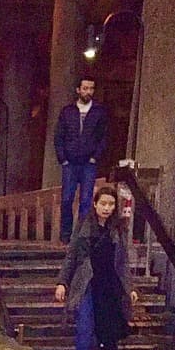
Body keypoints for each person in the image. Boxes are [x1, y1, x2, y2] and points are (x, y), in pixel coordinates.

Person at [54, 185, 138, 350]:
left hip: (109, 283)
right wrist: (62, 282)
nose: (107, 208)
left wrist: (130, 287)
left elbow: (122, 261)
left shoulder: (118, 229)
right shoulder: (84, 225)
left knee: (105, 325)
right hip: (87, 283)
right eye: (103, 203)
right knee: (84, 326)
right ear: (95, 204)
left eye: (111, 204)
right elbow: (72, 255)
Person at [54, 76, 108, 244]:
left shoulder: (99, 112)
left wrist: (95, 157)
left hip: (88, 163)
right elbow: (59, 136)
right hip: (70, 162)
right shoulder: (67, 111)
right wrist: (62, 158)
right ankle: (65, 236)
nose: (88, 92)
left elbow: (104, 137)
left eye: (91, 89)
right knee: (67, 199)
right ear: (78, 90)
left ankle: (82, 236)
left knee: (86, 201)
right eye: (85, 88)